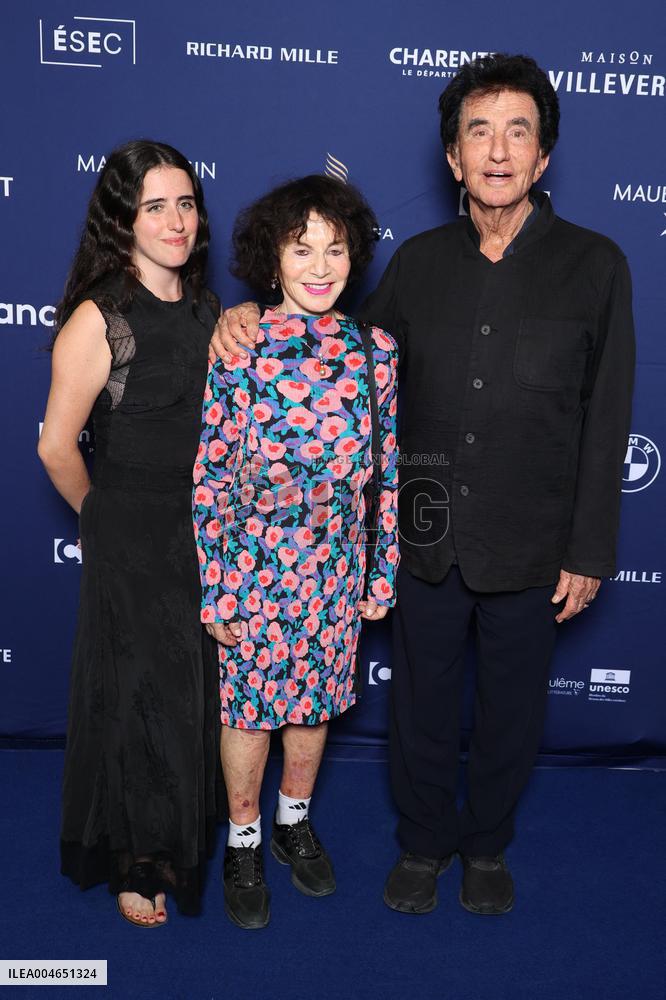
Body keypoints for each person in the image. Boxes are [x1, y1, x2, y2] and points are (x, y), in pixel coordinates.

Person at [211, 55, 635, 917]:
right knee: (422, 708)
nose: (498, 150)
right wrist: (245, 311)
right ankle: (423, 842)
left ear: (544, 154)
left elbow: (607, 415)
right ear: (453, 157)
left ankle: (486, 846)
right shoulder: (420, 262)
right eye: (479, 132)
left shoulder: (596, 265)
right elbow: (337, 355)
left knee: (512, 712)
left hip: (533, 539)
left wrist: (590, 549)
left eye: (517, 131)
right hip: (425, 536)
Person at [193, 174, 399, 929]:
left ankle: (292, 823)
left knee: (314, 704)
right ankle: (243, 840)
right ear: (272, 259)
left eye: (334, 249)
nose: (320, 266)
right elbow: (213, 475)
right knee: (250, 712)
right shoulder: (240, 348)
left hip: (336, 570)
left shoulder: (375, 352)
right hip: (253, 568)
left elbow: (387, 473)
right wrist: (217, 584)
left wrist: (382, 571)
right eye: (301, 248)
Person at [38, 140, 224, 927]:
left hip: (201, 530)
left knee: (189, 691)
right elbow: (56, 447)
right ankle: (136, 859)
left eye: (186, 203)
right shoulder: (100, 318)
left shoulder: (211, 311)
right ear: (122, 220)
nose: (176, 221)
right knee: (138, 693)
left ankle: (180, 835)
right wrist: (101, 518)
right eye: (155, 206)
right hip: (130, 531)